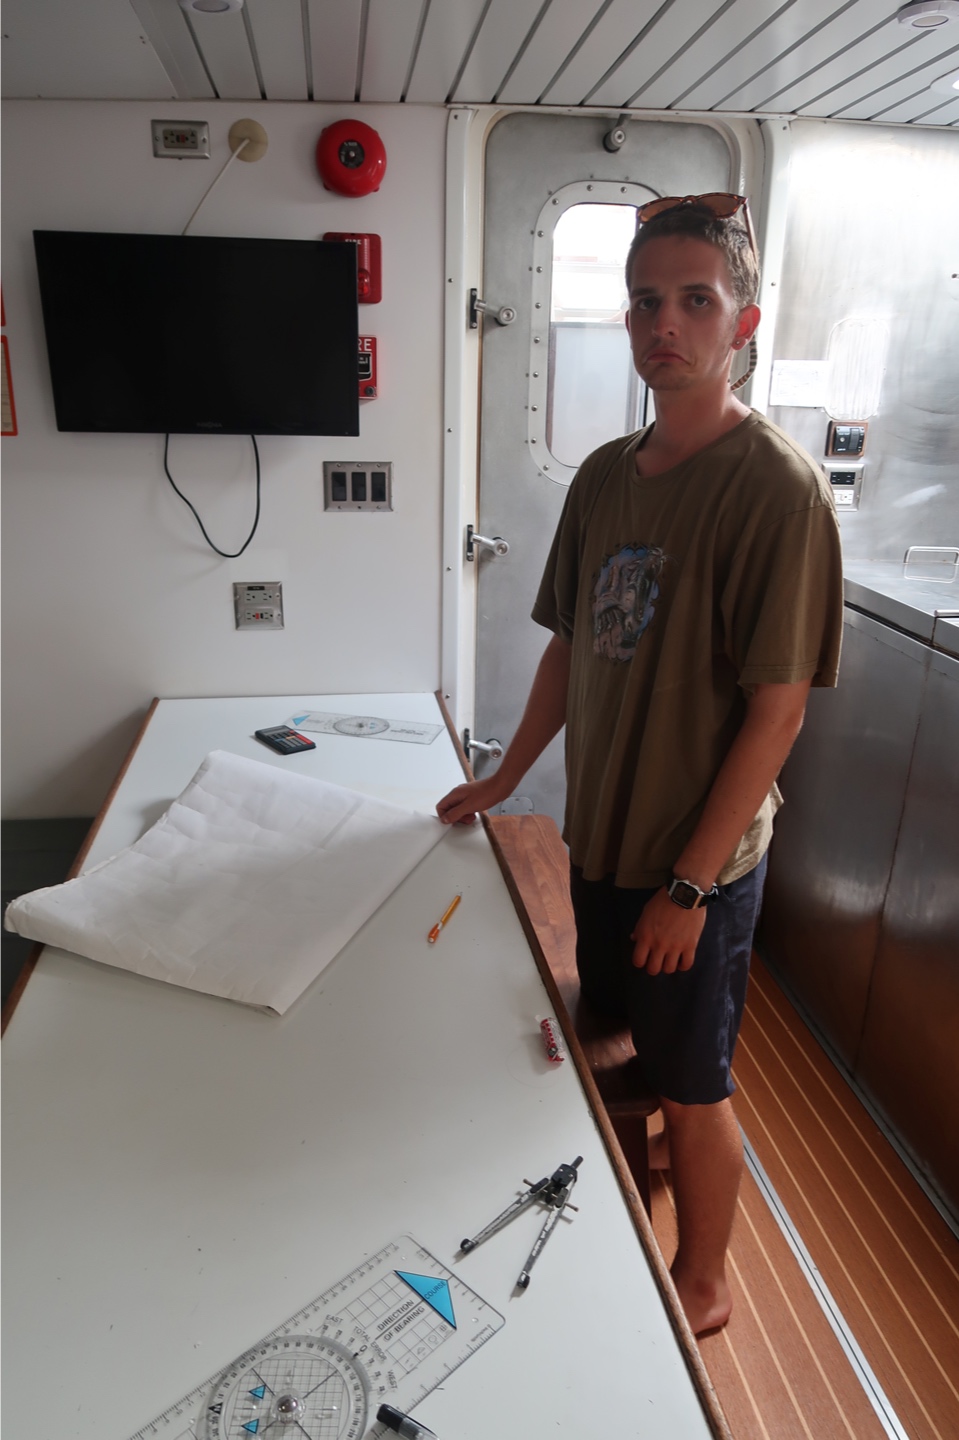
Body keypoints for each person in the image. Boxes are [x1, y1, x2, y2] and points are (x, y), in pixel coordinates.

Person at [437, 194, 843, 1337]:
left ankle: (703, 1279)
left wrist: (687, 888)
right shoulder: (605, 476)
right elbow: (569, 646)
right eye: (644, 302)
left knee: (692, 1083)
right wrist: (505, 776)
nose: (664, 322)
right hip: (603, 840)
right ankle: (618, 1187)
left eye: (694, 301)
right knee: (610, 1025)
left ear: (742, 324)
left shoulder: (775, 492)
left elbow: (775, 717)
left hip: (690, 868)